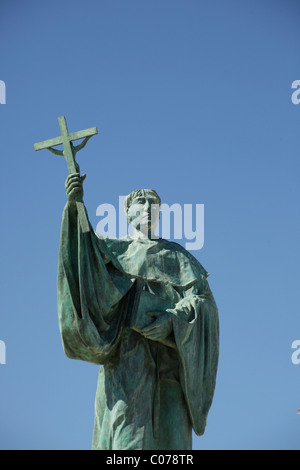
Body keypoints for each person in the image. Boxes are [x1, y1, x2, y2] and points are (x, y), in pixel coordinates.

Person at [57, 172, 219, 450]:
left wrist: (175, 320)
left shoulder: (177, 256)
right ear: (126, 212)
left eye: (153, 203)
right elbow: (81, 267)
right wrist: (75, 206)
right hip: (126, 368)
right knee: (127, 443)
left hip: (170, 370)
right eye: (140, 202)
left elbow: (204, 304)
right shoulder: (109, 249)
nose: (147, 207)